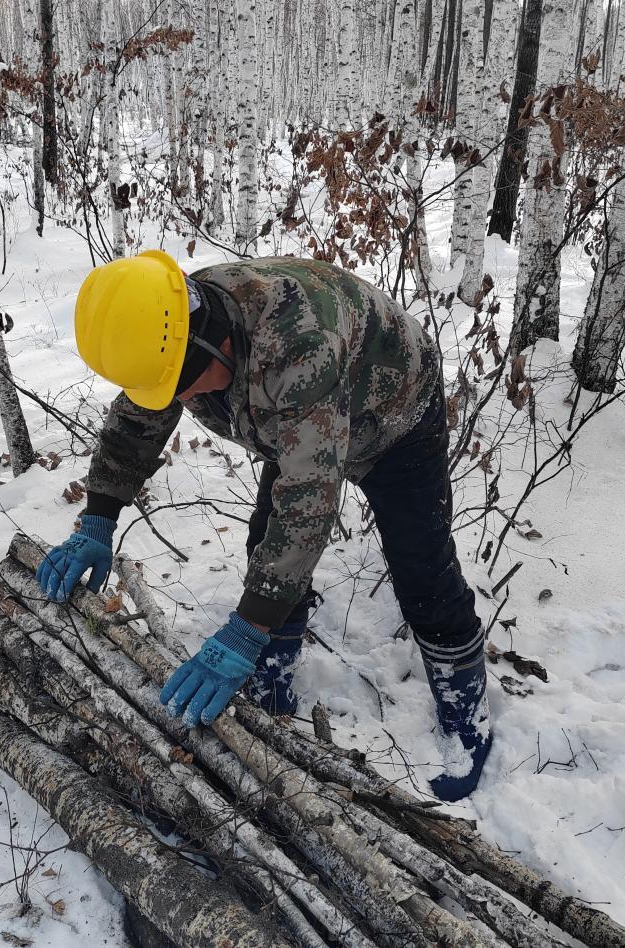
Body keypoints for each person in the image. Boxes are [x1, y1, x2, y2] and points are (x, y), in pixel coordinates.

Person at [36, 250, 490, 801]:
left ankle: (464, 705)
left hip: (392, 412)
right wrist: (98, 517)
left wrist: (246, 628)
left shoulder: (296, 348)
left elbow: (308, 502)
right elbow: (136, 423)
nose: (183, 400)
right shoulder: (164, 324)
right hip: (299, 414)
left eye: (184, 384)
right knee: (265, 546)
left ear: (213, 342)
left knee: (421, 567)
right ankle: (273, 673)